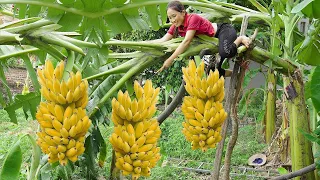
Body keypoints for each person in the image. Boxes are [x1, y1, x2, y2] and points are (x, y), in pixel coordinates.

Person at [155, 0, 251, 77]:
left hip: (223, 31)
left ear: (183, 12)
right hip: (209, 42)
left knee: (226, 52)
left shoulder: (193, 18)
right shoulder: (176, 26)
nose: (172, 20)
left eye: (174, 16)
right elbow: (163, 40)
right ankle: (234, 74)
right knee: (209, 72)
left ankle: (240, 38)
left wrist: (170, 59)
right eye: (170, 18)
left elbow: (186, 41)